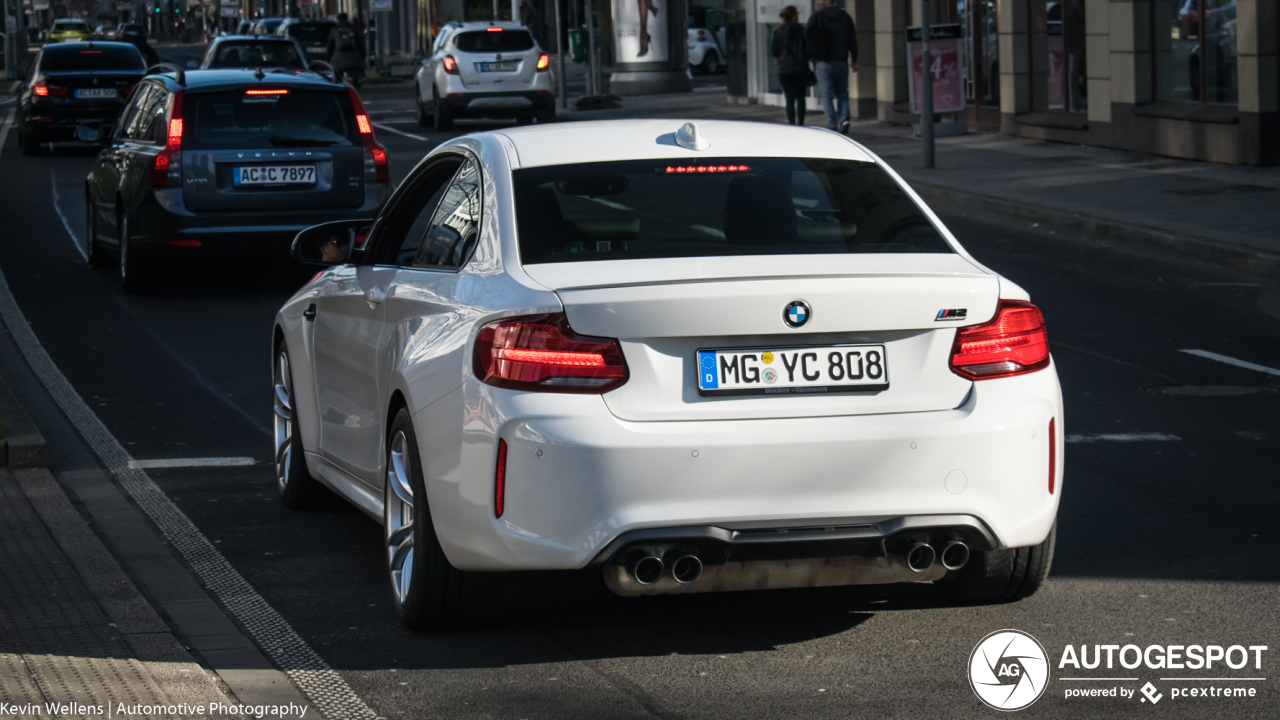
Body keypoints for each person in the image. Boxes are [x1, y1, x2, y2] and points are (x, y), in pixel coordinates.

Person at [806, 0, 858, 133]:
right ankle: (845, 119)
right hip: (841, 61)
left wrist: (810, 57)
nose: (817, 2)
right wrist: (854, 59)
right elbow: (852, 39)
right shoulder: (845, 17)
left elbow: (808, 37)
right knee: (842, 92)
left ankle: (832, 124)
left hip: (823, 62)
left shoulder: (817, 17)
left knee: (826, 95)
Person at [771, 6, 808, 126]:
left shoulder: (777, 33)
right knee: (801, 97)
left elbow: (774, 52)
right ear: (794, 16)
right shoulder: (802, 31)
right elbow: (807, 50)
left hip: (784, 70)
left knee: (789, 99)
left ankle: (792, 124)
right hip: (800, 69)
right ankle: (801, 123)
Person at [326, 12, 367, 88]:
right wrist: (362, 58)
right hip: (354, 59)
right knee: (354, 78)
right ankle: (355, 90)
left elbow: (329, 48)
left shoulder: (334, 31)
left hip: (338, 60)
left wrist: (328, 60)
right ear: (347, 19)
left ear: (338, 20)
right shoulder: (353, 30)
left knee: (337, 78)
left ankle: (340, 90)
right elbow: (360, 46)